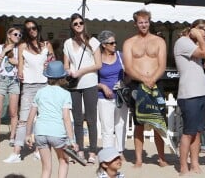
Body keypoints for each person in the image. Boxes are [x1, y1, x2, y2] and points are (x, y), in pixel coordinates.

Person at [3, 19, 55, 163]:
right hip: (28, 85)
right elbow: (20, 65)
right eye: (28, 29)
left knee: (42, 119)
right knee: (23, 120)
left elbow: (53, 62)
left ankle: (39, 149)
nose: (32, 30)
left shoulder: (46, 45)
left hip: (44, 85)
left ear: (38, 29)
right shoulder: (23, 46)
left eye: (34, 28)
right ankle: (16, 152)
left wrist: (49, 60)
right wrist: (20, 74)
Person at [122, 9, 168, 168]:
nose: (144, 25)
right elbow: (128, 67)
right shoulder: (129, 42)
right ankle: (139, 159)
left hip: (156, 84)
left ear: (150, 22)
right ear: (135, 23)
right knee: (139, 123)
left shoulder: (159, 41)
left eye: (146, 21)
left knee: (158, 122)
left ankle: (161, 158)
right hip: (137, 84)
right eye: (141, 22)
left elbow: (162, 65)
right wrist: (144, 79)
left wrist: (152, 79)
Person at [25, 61, 78, 178]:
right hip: (57, 132)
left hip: (40, 132)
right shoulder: (65, 94)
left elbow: (31, 115)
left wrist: (28, 134)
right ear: (63, 77)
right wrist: (72, 140)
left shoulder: (40, 92)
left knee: (46, 168)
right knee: (64, 161)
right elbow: (66, 119)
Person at [63, 13, 102, 164]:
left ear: (84, 24)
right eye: (75, 24)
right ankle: (78, 150)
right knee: (77, 119)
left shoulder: (93, 41)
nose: (79, 25)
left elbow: (99, 64)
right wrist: (69, 72)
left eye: (81, 23)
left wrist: (81, 71)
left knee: (91, 119)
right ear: (72, 26)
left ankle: (92, 151)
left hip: (90, 82)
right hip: (74, 85)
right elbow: (66, 64)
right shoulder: (67, 43)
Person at [174, 19, 205, 175]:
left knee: (198, 132)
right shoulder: (183, 42)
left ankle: (194, 164)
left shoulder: (193, 44)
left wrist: (200, 38)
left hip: (200, 93)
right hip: (189, 95)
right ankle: (183, 166)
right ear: (195, 29)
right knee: (188, 133)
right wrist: (199, 37)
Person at [97, 30, 128, 159]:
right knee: (107, 127)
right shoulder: (97, 58)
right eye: (112, 43)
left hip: (120, 96)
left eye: (115, 42)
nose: (115, 45)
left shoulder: (121, 56)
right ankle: (108, 153)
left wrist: (124, 82)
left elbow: (130, 74)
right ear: (104, 44)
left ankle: (120, 151)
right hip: (103, 97)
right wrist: (103, 86)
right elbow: (91, 80)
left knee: (120, 124)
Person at [0, 27, 22, 146]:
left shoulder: (20, 49)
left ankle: (12, 137)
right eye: (15, 34)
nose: (18, 36)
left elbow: (23, 64)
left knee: (13, 112)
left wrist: (16, 62)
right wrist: (4, 52)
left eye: (20, 35)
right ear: (9, 35)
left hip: (14, 80)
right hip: (0, 79)